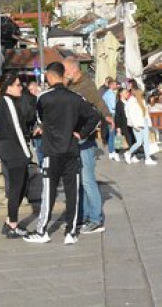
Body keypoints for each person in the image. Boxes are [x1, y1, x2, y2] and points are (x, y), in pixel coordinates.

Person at [27, 62, 102, 245]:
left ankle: (42, 230)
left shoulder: (43, 98)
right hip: (71, 149)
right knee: (72, 192)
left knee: (49, 193)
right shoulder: (76, 97)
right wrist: (81, 133)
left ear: (51, 77)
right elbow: (95, 116)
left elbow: (40, 120)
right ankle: (71, 232)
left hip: (52, 151)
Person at [63, 57, 110, 234]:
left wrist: (108, 116)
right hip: (73, 139)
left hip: (84, 139)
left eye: (65, 70)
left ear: (74, 70)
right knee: (79, 181)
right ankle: (83, 215)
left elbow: (98, 102)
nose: (63, 73)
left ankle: (96, 219)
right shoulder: (70, 86)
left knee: (87, 180)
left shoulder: (86, 85)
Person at [0, 74, 34, 240]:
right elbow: (17, 127)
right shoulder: (8, 101)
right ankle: (13, 224)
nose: (21, 88)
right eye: (18, 85)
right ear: (9, 87)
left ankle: (9, 221)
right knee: (17, 187)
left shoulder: (10, 101)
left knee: (23, 185)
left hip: (12, 147)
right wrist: (27, 152)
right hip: (12, 148)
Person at [124, 85, 157, 165]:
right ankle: (128, 153)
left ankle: (147, 158)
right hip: (138, 123)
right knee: (139, 142)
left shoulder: (141, 100)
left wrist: (148, 123)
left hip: (144, 122)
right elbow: (130, 114)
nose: (142, 93)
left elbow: (145, 112)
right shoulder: (131, 101)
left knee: (146, 141)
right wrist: (134, 125)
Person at [101, 78, 120, 160]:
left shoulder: (105, 94)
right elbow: (113, 106)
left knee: (111, 132)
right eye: (115, 84)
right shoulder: (112, 94)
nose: (116, 85)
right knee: (113, 132)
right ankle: (113, 151)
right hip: (113, 113)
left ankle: (112, 151)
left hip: (107, 114)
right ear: (111, 85)